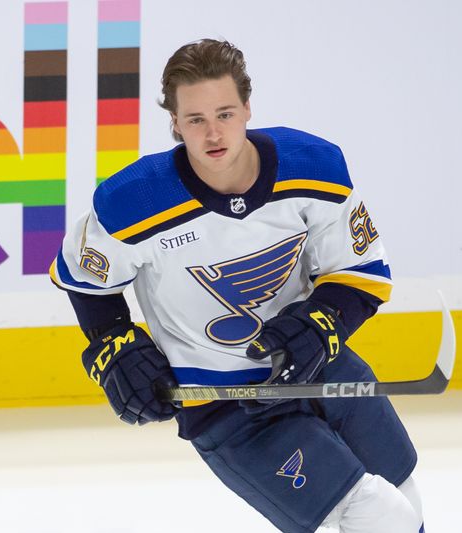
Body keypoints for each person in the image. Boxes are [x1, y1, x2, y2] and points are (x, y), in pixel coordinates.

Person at [49, 39, 424, 532]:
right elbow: (86, 281)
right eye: (196, 119)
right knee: (378, 515)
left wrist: (322, 321)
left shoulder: (315, 168)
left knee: (404, 496)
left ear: (248, 107)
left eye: (225, 113)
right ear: (175, 124)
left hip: (321, 369)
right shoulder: (133, 203)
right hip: (229, 408)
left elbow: (359, 274)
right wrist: (116, 345)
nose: (213, 133)